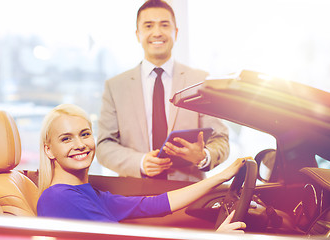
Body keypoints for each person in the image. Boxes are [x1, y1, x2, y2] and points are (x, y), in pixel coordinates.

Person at [37, 103, 248, 233]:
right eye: (66, 139)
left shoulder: (87, 194)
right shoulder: (59, 197)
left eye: (84, 134)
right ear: (49, 150)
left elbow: (157, 204)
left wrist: (223, 176)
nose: (80, 144)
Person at [96, 0, 229, 181]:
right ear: (138, 34)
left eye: (164, 25)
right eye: (148, 25)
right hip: (134, 193)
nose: (157, 32)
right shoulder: (115, 86)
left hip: (188, 191)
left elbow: (221, 139)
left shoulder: (200, 81)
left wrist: (203, 155)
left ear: (175, 32)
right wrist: (140, 162)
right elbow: (104, 146)